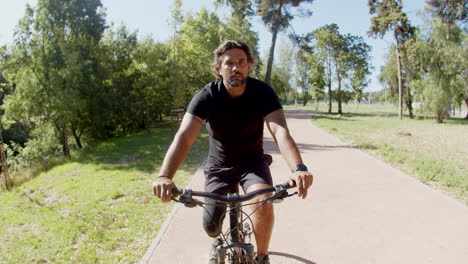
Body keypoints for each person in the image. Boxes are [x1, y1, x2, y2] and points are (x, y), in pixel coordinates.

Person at [152, 40, 314, 264]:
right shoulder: (207, 95)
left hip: (253, 163)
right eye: (229, 63)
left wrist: (299, 168)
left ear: (249, 66)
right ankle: (217, 242)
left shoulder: (262, 92)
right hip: (219, 166)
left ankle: (262, 257)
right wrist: (164, 176)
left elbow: (279, 130)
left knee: (263, 200)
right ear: (219, 68)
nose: (236, 68)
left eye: (241, 62)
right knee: (210, 225)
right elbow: (185, 136)